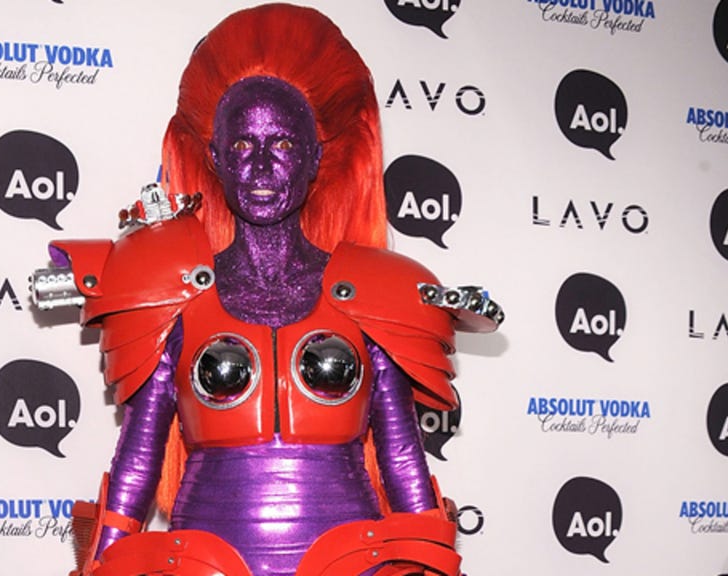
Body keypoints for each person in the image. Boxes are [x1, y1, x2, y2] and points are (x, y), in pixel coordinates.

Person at [32, 4, 501, 575]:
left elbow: (403, 460)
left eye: (280, 145)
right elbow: (137, 462)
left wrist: (432, 562)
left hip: (351, 564)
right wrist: (100, 565)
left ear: (315, 157)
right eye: (240, 147)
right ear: (214, 158)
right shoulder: (169, 293)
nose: (259, 168)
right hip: (204, 562)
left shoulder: (378, 292)